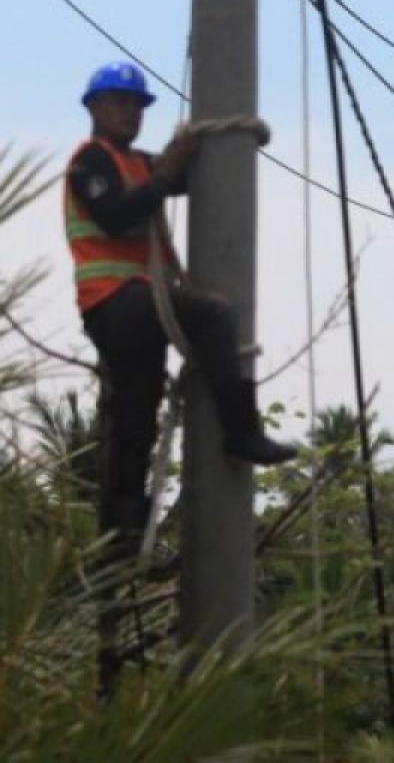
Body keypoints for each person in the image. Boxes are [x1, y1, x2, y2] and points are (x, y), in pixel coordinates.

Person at [66, 61, 297, 561]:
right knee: (213, 314)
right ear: (95, 107)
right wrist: (165, 173)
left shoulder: (139, 165)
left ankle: (124, 531)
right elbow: (116, 216)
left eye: (137, 105)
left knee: (137, 415)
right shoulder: (90, 164)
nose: (131, 113)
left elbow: (190, 182)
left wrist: (232, 148)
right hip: (113, 300)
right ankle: (240, 431)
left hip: (135, 304)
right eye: (121, 103)